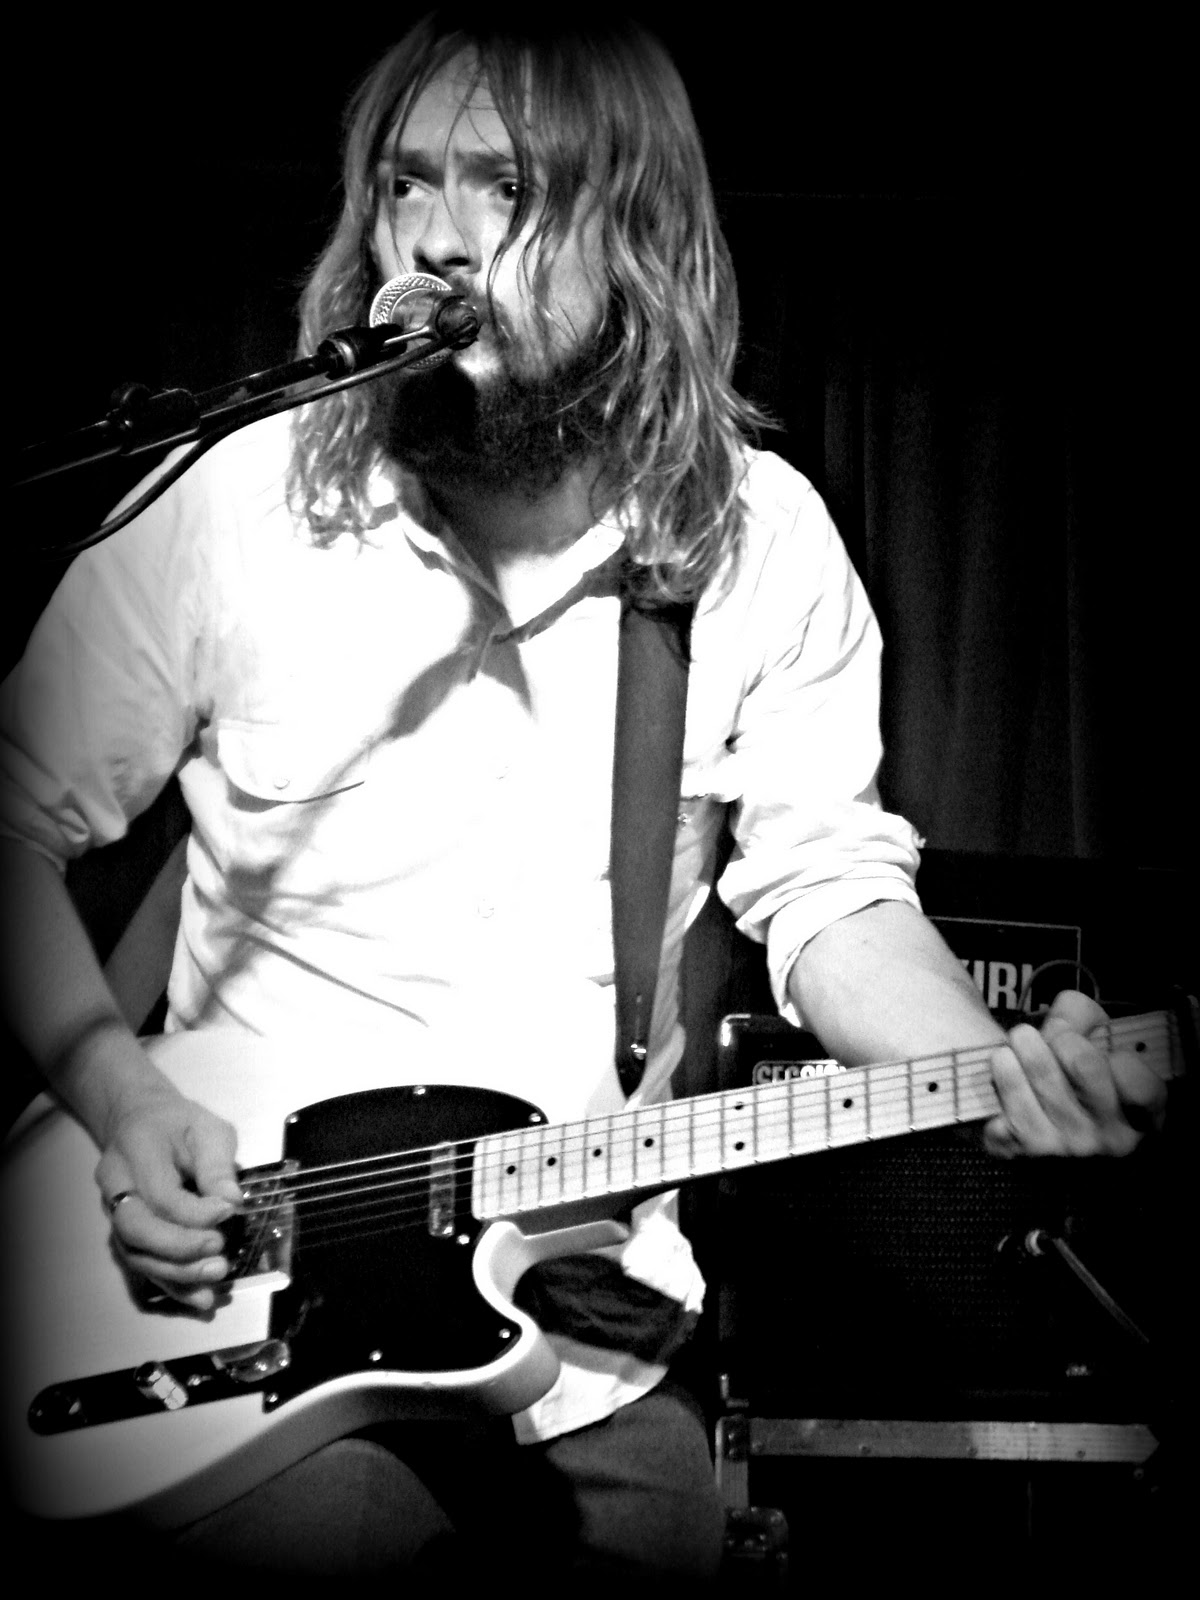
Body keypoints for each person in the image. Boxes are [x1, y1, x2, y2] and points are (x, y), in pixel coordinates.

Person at [0, 9, 1167, 1588]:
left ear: (636, 235)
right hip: (240, 1300)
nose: (439, 238)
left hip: (592, 1322)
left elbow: (829, 898)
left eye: (507, 189)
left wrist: (994, 1075)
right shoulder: (242, 502)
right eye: (408, 184)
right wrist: (120, 1099)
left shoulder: (754, 541)